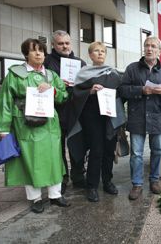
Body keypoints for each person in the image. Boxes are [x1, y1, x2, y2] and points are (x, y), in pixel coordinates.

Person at [0, 38, 70, 213]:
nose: (38, 54)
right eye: (34, 50)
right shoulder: (15, 74)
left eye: (41, 50)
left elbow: (64, 96)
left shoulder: (51, 75)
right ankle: (35, 198)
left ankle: (55, 195)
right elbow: (5, 101)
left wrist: (54, 90)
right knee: (29, 159)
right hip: (24, 122)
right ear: (26, 54)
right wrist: (2, 127)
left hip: (50, 123)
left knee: (54, 158)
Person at [119, 36, 161, 200]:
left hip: (156, 117)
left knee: (157, 150)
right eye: (147, 46)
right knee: (136, 153)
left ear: (159, 51)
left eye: (153, 46)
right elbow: (122, 90)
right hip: (137, 117)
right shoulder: (132, 68)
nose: (149, 49)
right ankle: (137, 184)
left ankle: (154, 180)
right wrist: (141, 90)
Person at [67, 42, 123, 202]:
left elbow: (121, 93)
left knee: (109, 150)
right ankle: (92, 186)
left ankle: (107, 181)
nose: (100, 54)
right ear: (90, 55)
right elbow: (75, 94)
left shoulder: (114, 74)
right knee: (96, 150)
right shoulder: (83, 74)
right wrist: (89, 91)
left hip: (110, 118)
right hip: (92, 118)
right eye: (96, 51)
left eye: (103, 51)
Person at [44, 30, 87, 193]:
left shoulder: (80, 63)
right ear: (53, 45)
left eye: (67, 43)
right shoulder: (47, 62)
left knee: (77, 145)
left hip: (76, 111)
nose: (64, 46)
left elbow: (86, 85)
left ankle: (78, 176)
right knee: (57, 147)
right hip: (55, 111)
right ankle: (61, 177)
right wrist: (56, 83)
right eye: (60, 43)